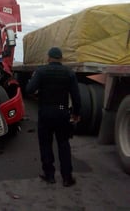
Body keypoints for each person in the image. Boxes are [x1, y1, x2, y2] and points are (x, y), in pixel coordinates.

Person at [25, 47, 81, 187]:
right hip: (62, 113)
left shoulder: (41, 71)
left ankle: (49, 175)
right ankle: (67, 177)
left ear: (49, 57)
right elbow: (76, 97)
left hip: (45, 113)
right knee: (63, 144)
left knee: (45, 144)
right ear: (60, 58)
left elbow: (29, 89)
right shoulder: (69, 73)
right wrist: (76, 113)